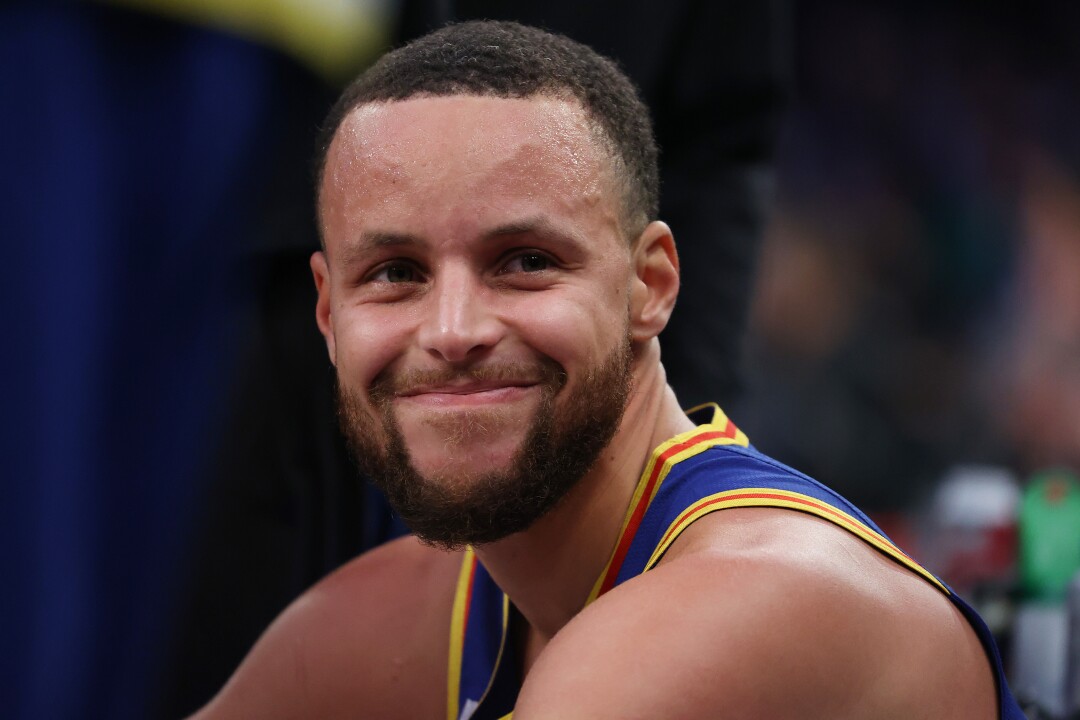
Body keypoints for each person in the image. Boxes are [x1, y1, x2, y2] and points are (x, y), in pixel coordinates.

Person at [192, 21, 1023, 719]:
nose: (451, 331)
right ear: (329, 312)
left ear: (650, 285)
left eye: (523, 261)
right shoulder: (426, 605)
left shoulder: (759, 595)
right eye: (395, 274)